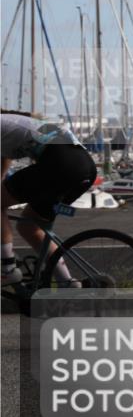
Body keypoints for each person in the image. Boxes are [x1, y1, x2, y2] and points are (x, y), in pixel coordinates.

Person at [1, 110, 97, 287]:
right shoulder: (10, 124)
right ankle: (67, 282)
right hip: (85, 168)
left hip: (61, 165)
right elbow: (3, 163)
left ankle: (7, 269)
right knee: (29, 227)